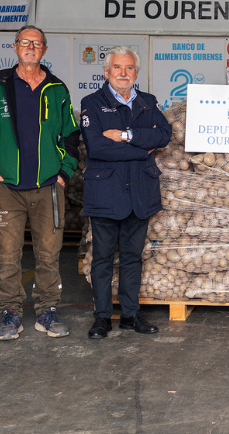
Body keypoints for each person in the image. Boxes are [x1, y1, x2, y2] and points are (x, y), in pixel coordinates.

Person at [0, 25, 80, 341]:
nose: (31, 47)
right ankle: (11, 312)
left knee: (49, 254)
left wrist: (64, 172)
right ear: (15, 47)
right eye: (25, 42)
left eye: (37, 43)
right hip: (8, 188)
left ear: (44, 50)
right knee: (7, 255)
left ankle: (47, 311)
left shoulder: (57, 89)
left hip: (48, 187)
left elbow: (72, 135)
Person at [80, 46, 171, 339]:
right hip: (105, 193)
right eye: (117, 68)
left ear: (136, 72)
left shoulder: (147, 102)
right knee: (103, 258)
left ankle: (131, 315)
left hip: (139, 193)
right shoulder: (92, 103)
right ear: (107, 72)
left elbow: (164, 135)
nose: (123, 73)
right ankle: (102, 318)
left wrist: (125, 136)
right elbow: (96, 147)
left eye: (129, 68)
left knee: (133, 257)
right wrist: (140, 150)